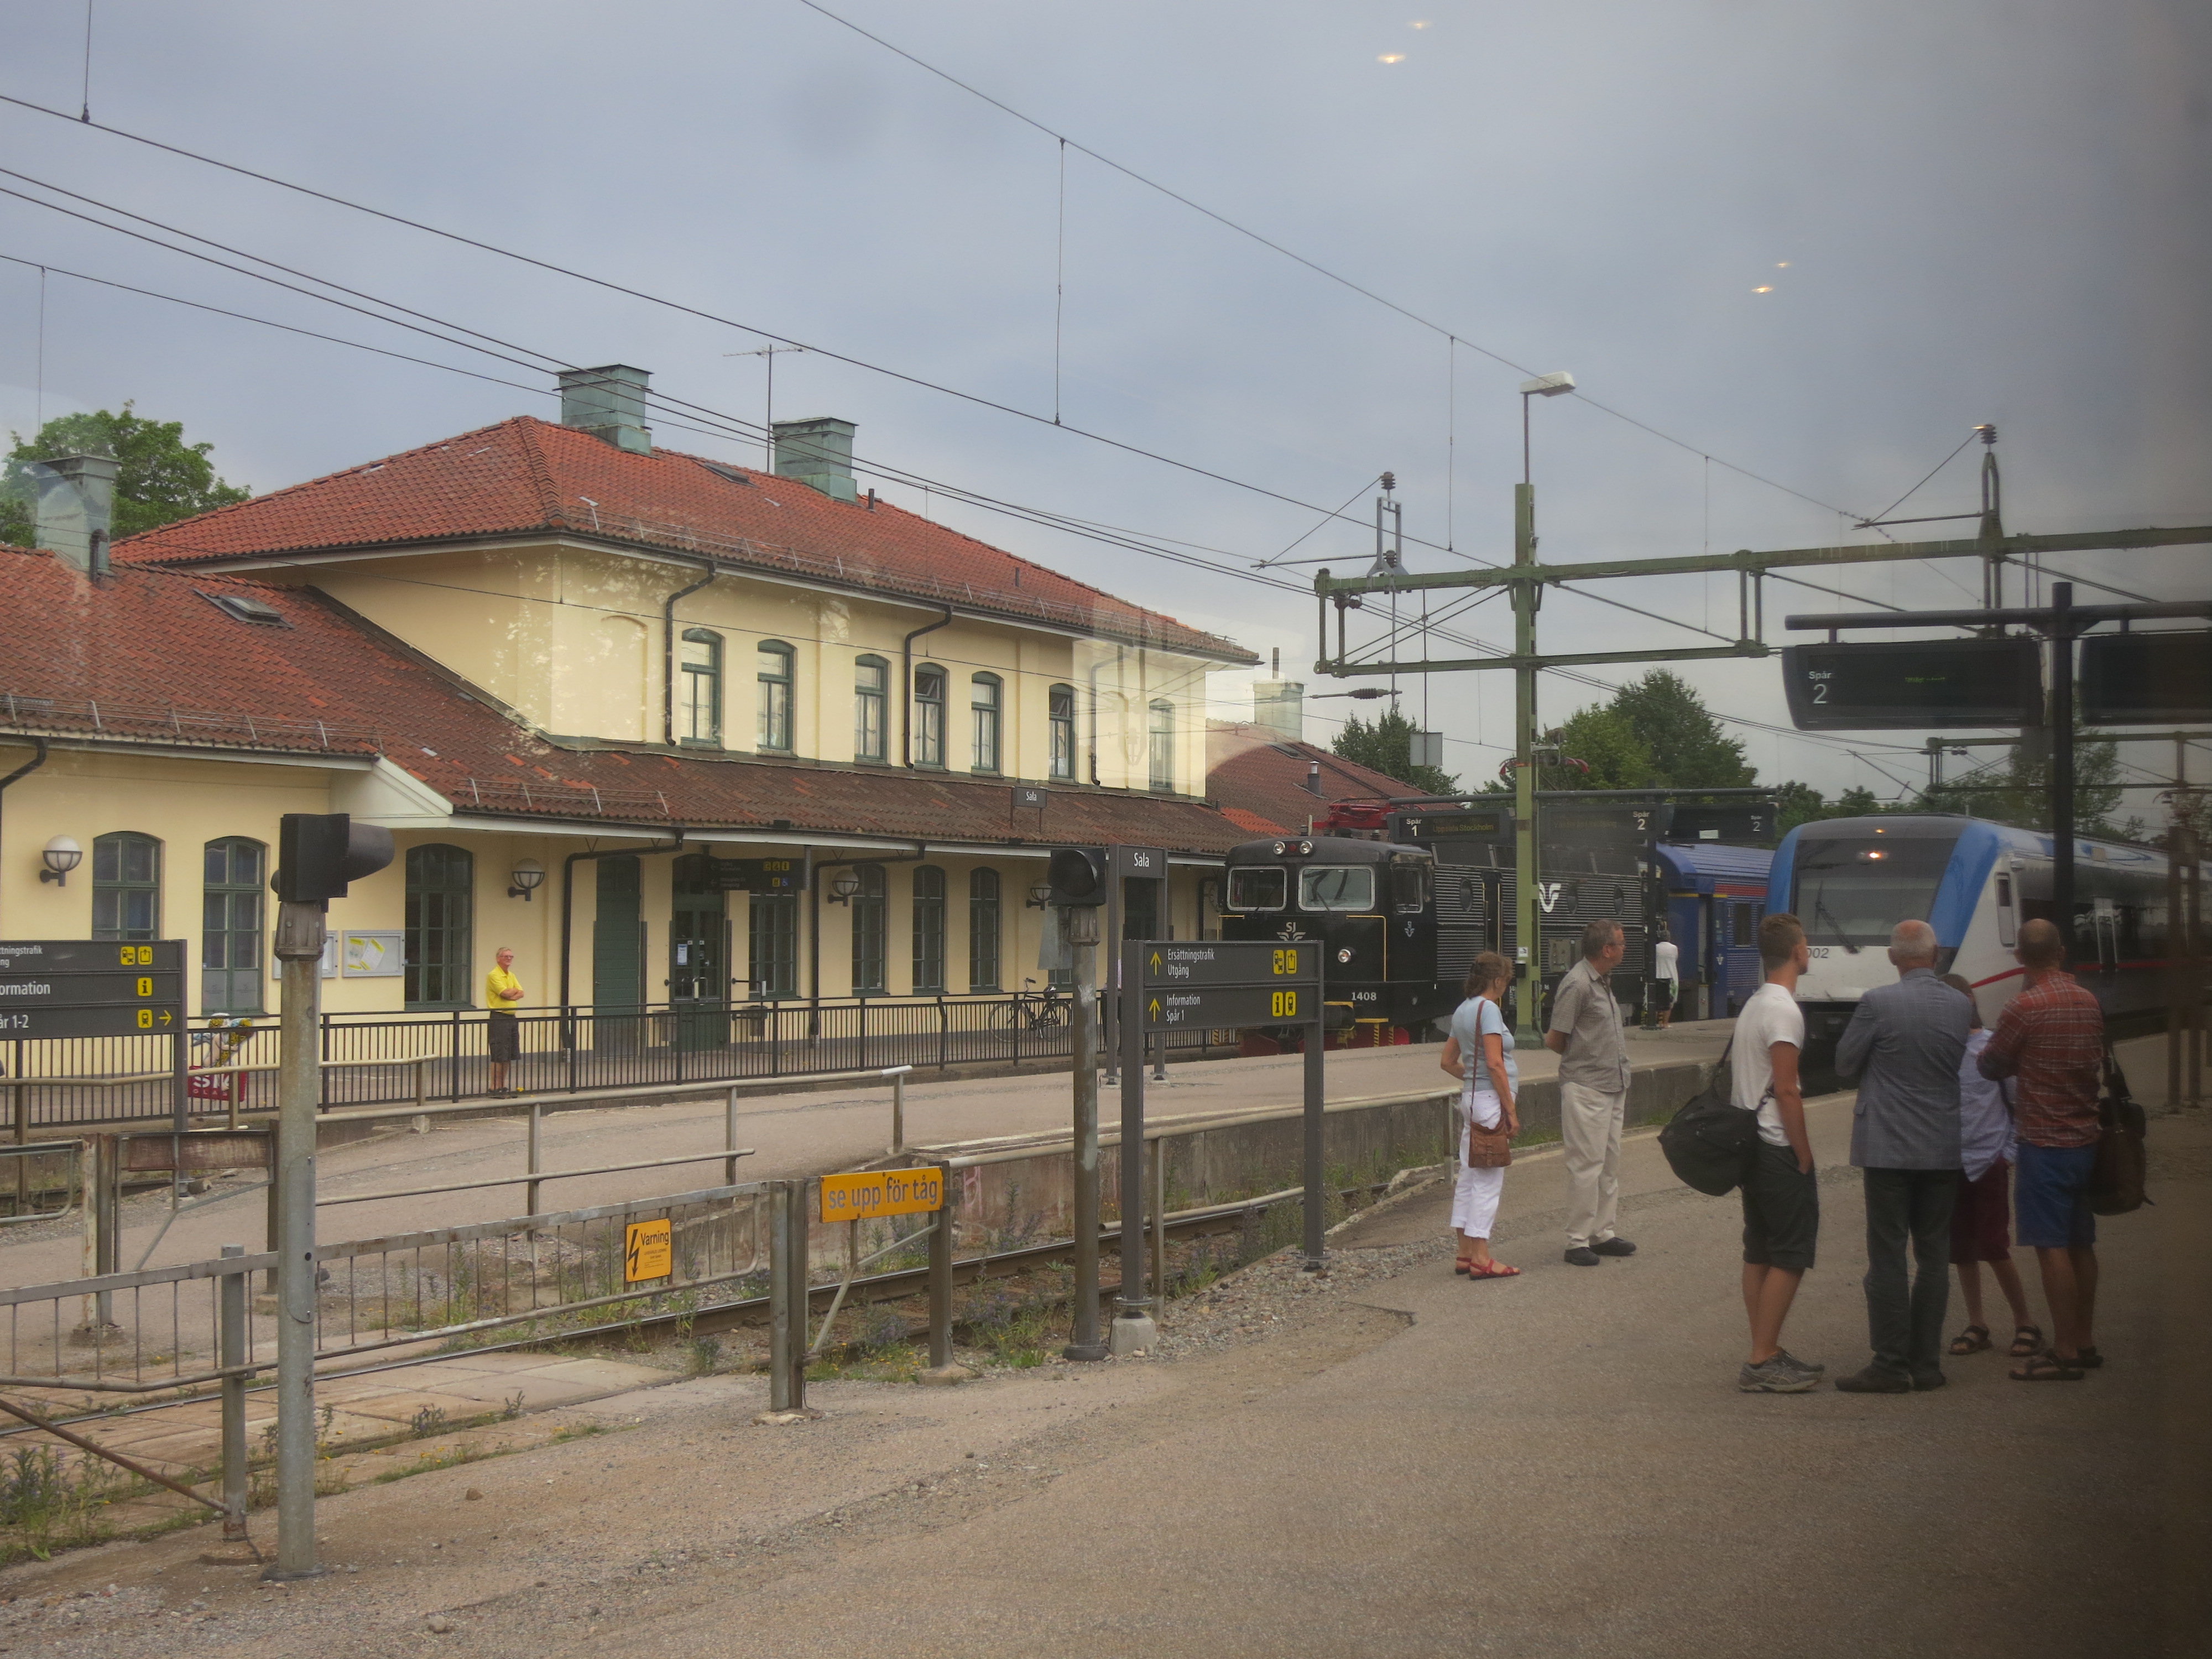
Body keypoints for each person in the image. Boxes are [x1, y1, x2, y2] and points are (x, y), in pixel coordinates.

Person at [1830, 919, 1970, 1394]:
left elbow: (1845, 1064)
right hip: (1942, 1146)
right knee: (1934, 1255)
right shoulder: (1961, 1004)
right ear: (1936, 955)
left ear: (1893, 957)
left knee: (1888, 1254)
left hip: (1887, 1147)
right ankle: (1926, 1365)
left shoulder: (1877, 1003)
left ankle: (1889, 1365)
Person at [1978, 917, 2105, 1382]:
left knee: (2052, 1248)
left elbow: (1991, 1065)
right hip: (2086, 1140)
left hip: (2043, 1143)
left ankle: (2064, 1352)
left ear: (2019, 958)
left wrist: (2019, 1059)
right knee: (2081, 1243)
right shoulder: (2088, 1001)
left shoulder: (2023, 1006)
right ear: (2062, 952)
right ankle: (2085, 1341)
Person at [1734, 911, 1823, 1392]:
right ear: (1796, 952)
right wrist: (1803, 1154)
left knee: (1760, 1252)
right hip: (1776, 1146)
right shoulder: (1785, 1010)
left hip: (1751, 1147)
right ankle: (1762, 1358)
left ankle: (1763, 1348)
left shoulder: (1754, 1004)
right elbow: (1787, 1090)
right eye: (1805, 944)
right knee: (1790, 1254)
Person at [1939, 972, 2038, 1361]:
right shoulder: (1939, 1054)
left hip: (1987, 1160)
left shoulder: (1993, 1049)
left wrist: (2008, 1154)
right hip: (1952, 1164)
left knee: (1994, 1245)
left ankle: (2025, 1321)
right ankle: (1977, 1323)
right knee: (1961, 1248)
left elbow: (2018, 1105)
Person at [1546, 919, 1637, 1266]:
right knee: (1586, 1166)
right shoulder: (1578, 984)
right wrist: (1583, 1060)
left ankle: (1603, 1233)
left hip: (1613, 1084)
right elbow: (1555, 1039)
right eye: (1622, 944)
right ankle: (1577, 1241)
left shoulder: (1602, 980)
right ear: (1607, 950)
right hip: (1586, 1087)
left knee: (1609, 1164)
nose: (1625, 949)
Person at [1439, 952, 1521, 1280]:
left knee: (1470, 1176)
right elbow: (1495, 1062)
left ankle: (1464, 1254)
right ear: (1498, 980)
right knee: (1488, 1180)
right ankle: (1482, 1259)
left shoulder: (1463, 1009)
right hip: (1490, 1103)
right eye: (1507, 981)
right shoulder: (1488, 1010)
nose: (1506, 987)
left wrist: (1474, 1081)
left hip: (1472, 1099)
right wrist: (1510, 1110)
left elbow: (1447, 1062)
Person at [486, 946, 525, 1096]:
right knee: (499, 1053)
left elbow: (521, 993)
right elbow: (505, 993)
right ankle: (494, 1087)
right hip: (499, 1017)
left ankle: (502, 1085)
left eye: (511, 956)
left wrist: (512, 993)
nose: (509, 959)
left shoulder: (511, 975)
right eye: (505, 956)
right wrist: (512, 992)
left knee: (508, 1054)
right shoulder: (494, 975)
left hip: (511, 1018)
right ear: (498, 959)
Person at [1651, 927, 1679, 1027]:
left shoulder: (1655, 948)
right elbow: (1675, 959)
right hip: (1671, 977)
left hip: (1657, 976)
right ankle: (1665, 1024)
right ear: (1669, 938)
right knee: (1669, 1002)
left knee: (1656, 1002)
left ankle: (1653, 1023)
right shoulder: (1674, 948)